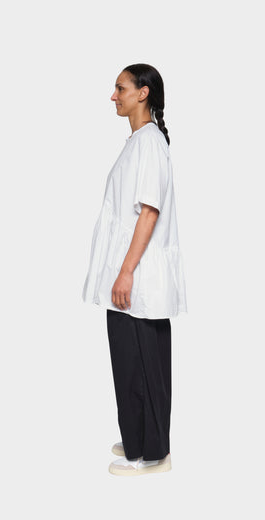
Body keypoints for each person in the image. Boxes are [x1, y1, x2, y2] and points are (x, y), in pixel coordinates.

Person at [82, 63, 187, 476]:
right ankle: (140, 437)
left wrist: (126, 272)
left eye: (120, 88)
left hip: (138, 278)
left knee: (140, 366)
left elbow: (149, 211)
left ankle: (150, 455)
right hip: (131, 275)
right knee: (132, 363)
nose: (114, 96)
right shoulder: (140, 142)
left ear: (143, 93)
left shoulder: (149, 144)